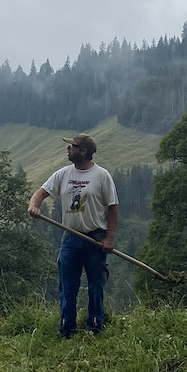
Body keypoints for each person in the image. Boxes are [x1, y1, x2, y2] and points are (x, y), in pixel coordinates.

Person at [28, 133, 119, 338]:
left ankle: (95, 327)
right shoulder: (62, 174)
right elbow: (40, 193)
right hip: (70, 238)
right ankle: (66, 329)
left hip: (95, 239)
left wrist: (109, 238)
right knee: (67, 287)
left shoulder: (102, 175)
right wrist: (34, 206)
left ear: (84, 151)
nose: (68, 150)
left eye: (72, 146)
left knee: (96, 285)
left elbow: (113, 208)